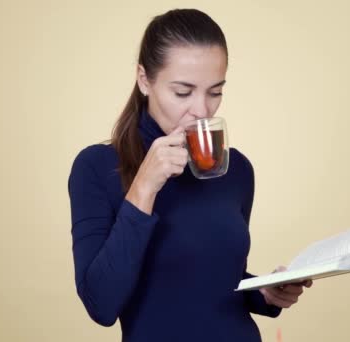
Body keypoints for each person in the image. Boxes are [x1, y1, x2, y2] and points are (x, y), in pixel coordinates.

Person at [68, 8, 312, 341]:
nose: (201, 110)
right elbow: (101, 304)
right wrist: (143, 188)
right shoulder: (96, 167)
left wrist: (264, 294)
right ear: (144, 80)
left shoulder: (236, 168)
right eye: (183, 92)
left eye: (215, 92)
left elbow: (213, 278)